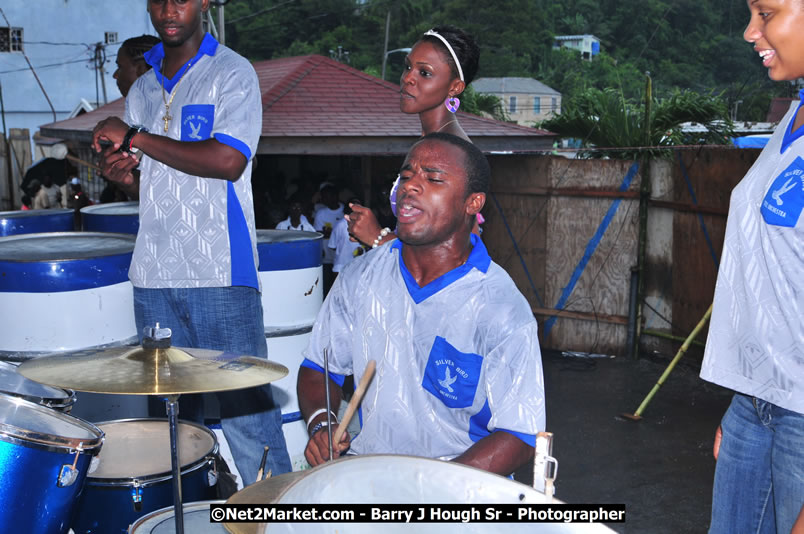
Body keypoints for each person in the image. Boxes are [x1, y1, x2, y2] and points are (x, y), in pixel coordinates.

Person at [91, 0, 290, 486]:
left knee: (249, 420)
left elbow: (228, 160)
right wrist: (124, 176)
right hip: (153, 276)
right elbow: (152, 184)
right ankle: (193, 513)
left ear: (203, 2)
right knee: (174, 428)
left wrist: (136, 138)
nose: (168, 9)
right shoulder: (142, 88)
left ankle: (280, 516)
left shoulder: (232, 72)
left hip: (219, 271)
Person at [298, 133, 545, 475]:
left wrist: (429, 487)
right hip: (369, 473)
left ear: (473, 203)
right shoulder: (360, 277)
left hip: (457, 485)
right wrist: (321, 423)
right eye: (406, 175)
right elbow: (319, 367)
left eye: (433, 178)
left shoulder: (500, 306)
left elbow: (520, 434)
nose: (410, 186)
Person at [700, 1, 804, 532]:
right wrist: (746, 392)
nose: (749, 31)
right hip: (760, 400)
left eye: (766, 12)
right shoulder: (793, 115)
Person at [347, 25, 480, 247]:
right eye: (408, 67)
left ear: (455, 87)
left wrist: (377, 237)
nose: (407, 78)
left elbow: (459, 248)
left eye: (424, 73)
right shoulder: (431, 141)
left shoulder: (450, 152)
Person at [313, 184, 344, 294]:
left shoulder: (344, 211)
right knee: (326, 285)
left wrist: (329, 233)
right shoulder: (321, 213)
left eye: (327, 196)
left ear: (335, 196)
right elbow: (318, 234)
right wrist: (335, 233)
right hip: (326, 255)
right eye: (323, 197)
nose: (324, 199)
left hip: (341, 257)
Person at [328, 197, 367, 277]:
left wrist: (362, 249)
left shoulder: (366, 224)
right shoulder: (340, 225)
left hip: (360, 267)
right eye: (353, 207)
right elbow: (332, 246)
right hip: (341, 267)